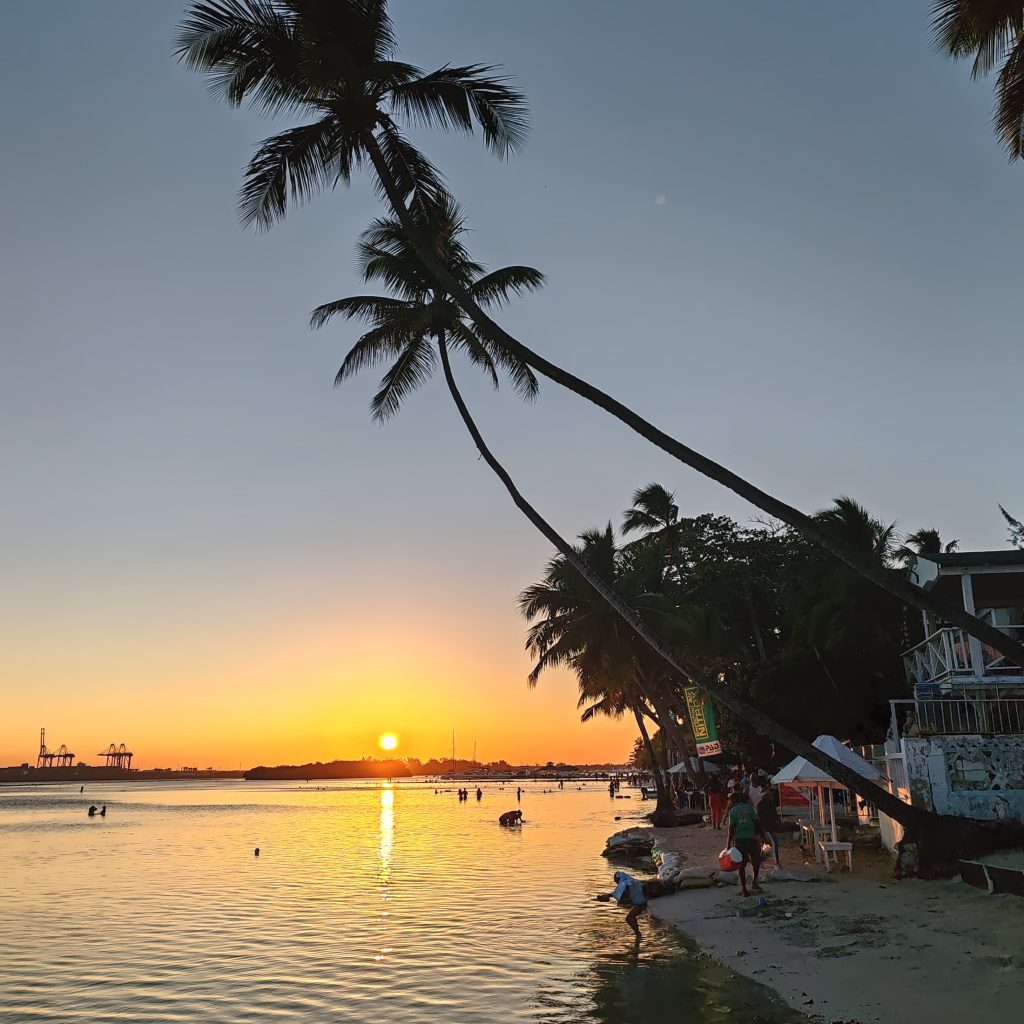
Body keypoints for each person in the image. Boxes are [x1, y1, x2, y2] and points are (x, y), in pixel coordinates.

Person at [727, 789, 766, 897]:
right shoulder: (749, 808)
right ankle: (754, 882)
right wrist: (762, 836)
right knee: (756, 861)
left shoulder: (733, 811)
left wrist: (728, 843)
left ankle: (744, 888)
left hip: (740, 840)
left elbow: (731, 828)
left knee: (741, 865)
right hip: (752, 839)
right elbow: (756, 822)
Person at [596, 870, 647, 943]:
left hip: (641, 903)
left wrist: (606, 896)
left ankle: (638, 934)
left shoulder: (625, 882)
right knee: (632, 917)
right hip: (639, 902)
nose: (616, 883)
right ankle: (637, 934)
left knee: (628, 918)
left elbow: (618, 893)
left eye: (616, 881)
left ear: (619, 878)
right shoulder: (630, 881)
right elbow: (622, 894)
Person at [756, 783, 782, 866]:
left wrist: (778, 820)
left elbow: (775, 814)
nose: (771, 796)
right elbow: (759, 818)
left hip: (770, 827)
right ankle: (776, 861)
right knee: (774, 843)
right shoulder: (760, 805)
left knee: (766, 843)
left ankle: (760, 859)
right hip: (765, 827)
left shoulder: (770, 804)